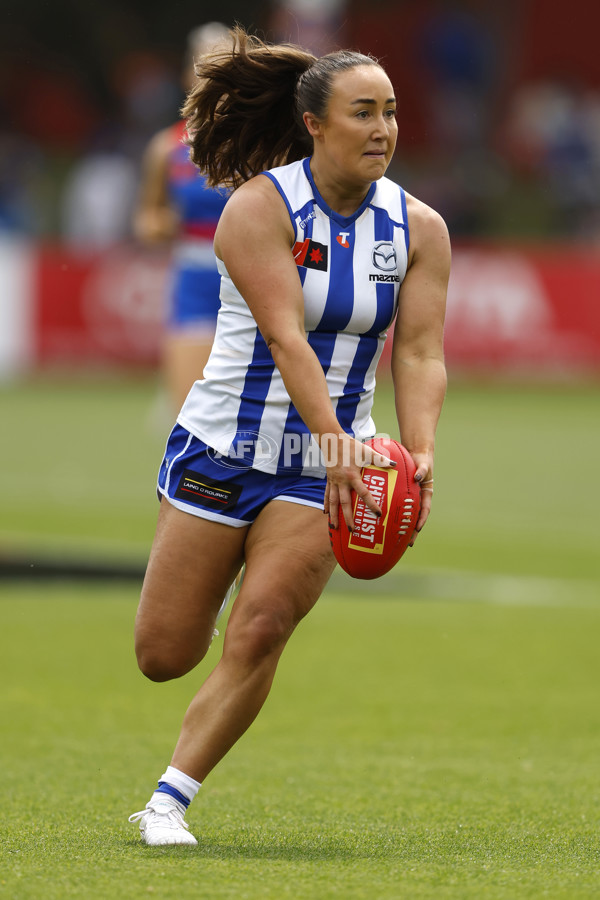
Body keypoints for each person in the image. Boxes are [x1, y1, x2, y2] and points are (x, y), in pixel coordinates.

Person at [128, 26, 449, 846]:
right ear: (314, 122)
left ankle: (170, 799)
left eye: (391, 113)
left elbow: (416, 350)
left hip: (325, 469)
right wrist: (335, 435)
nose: (382, 129)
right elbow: (285, 338)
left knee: (265, 623)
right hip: (222, 449)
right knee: (165, 653)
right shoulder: (257, 208)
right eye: (362, 113)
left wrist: (417, 453)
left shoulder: (419, 228)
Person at [133, 23, 231, 415]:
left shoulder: (263, 144)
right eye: (203, 66)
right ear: (187, 75)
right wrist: (159, 226)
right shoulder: (165, 147)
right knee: (190, 414)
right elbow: (147, 219)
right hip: (195, 279)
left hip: (255, 279)